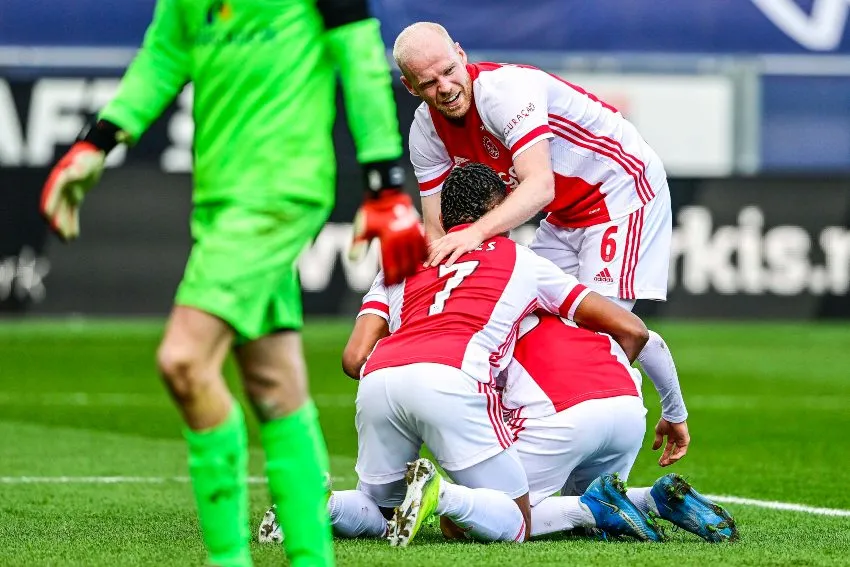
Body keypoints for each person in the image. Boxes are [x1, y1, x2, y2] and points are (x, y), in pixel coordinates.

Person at [38, 2, 426, 566]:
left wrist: (385, 183)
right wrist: (96, 141)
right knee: (274, 386)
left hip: (281, 189)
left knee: (183, 361)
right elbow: (166, 53)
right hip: (218, 197)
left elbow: (359, 52)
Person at [259, 163, 658, 546]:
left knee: (380, 511)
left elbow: (353, 359)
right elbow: (632, 328)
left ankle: (315, 506)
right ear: (498, 210)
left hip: (380, 379)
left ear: (444, 216)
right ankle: (442, 494)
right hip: (453, 376)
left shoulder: (400, 263)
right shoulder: (523, 260)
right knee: (517, 520)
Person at [392, 22, 689, 463]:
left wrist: (475, 234)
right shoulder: (425, 131)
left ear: (460, 53)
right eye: (429, 83)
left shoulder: (505, 92)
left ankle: (657, 422)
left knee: (601, 329)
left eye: (449, 71)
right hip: (565, 214)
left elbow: (539, 186)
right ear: (410, 87)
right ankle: (547, 440)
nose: (446, 88)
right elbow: (438, 229)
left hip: (621, 191)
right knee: (521, 317)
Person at [501, 311, 737, 543]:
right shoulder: (580, 312)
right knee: (584, 506)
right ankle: (653, 500)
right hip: (628, 409)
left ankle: (592, 508)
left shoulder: (497, 324)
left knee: (495, 509)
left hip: (563, 415)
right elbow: (650, 340)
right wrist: (675, 414)